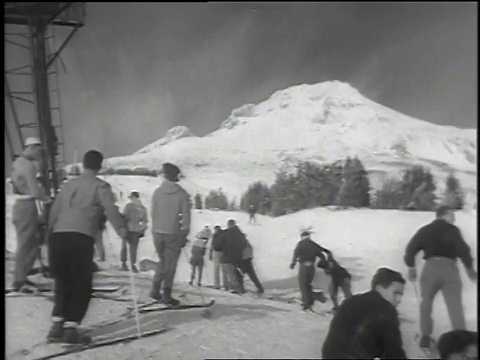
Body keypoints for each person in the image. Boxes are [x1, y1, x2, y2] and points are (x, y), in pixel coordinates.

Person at [46, 150, 128, 344]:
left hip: (58, 235)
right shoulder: (101, 186)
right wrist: (122, 230)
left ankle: (57, 324)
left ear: (83, 164)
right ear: (99, 166)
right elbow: (111, 210)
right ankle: (71, 328)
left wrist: (49, 234)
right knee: (82, 282)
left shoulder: (68, 185)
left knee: (63, 279)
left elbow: (55, 211)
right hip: (80, 237)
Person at [404, 205, 477, 349]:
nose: (454, 218)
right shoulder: (453, 230)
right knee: (455, 305)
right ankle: (461, 338)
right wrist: (469, 269)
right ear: (444, 215)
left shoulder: (425, 230)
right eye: (452, 215)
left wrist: (411, 266)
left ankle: (425, 336)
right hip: (450, 268)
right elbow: (464, 250)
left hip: (431, 268)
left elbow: (410, 249)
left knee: (426, 302)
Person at [322, 267, 408, 359]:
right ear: (379, 288)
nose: (399, 300)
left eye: (400, 295)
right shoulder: (386, 310)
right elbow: (395, 353)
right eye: (396, 293)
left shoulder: (350, 302)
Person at [10, 137, 52, 293]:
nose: (39, 154)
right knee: (25, 243)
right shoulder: (26, 165)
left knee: (30, 243)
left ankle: (23, 275)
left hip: (22, 205)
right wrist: (47, 200)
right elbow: (34, 190)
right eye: (38, 151)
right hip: (26, 206)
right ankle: (19, 280)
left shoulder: (19, 163)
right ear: (33, 148)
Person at [149, 162, 191, 305]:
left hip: (157, 232)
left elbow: (153, 213)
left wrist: (156, 227)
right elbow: (186, 217)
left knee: (163, 260)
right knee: (170, 264)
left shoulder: (157, 192)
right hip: (173, 233)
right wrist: (184, 234)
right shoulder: (182, 194)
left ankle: (155, 289)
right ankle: (166, 294)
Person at [289, 230, 330, 311]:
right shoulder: (313, 244)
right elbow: (321, 254)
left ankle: (306, 303)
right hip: (311, 267)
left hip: (303, 267)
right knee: (308, 284)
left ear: (303, 237)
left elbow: (296, 253)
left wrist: (293, 263)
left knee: (303, 285)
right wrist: (323, 262)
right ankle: (312, 299)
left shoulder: (300, 244)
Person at [216, 219, 248, 294]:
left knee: (229, 273)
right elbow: (244, 244)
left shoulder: (225, 234)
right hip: (237, 258)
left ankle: (234, 288)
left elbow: (217, 246)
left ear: (228, 225)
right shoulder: (240, 234)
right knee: (234, 273)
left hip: (226, 257)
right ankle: (239, 288)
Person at [121, 190, 148, 273]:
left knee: (124, 247)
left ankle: (124, 264)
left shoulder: (128, 206)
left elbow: (124, 217)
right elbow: (145, 221)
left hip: (128, 228)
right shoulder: (143, 208)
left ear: (133, 197)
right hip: (137, 230)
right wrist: (142, 229)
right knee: (134, 249)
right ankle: (133, 266)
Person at [210, 225, 229, 290]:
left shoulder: (215, 235)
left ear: (215, 229)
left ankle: (216, 285)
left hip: (216, 253)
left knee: (216, 269)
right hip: (223, 253)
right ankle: (226, 285)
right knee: (224, 269)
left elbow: (212, 245)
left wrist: (210, 254)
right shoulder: (224, 235)